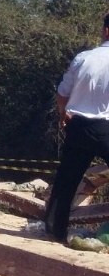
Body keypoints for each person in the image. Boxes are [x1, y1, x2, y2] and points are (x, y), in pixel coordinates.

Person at [44, 13, 109, 243]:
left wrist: (64, 114)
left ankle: (55, 230)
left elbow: (62, 93)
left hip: (78, 125)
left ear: (106, 31)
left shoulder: (83, 58)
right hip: (107, 129)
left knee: (67, 180)